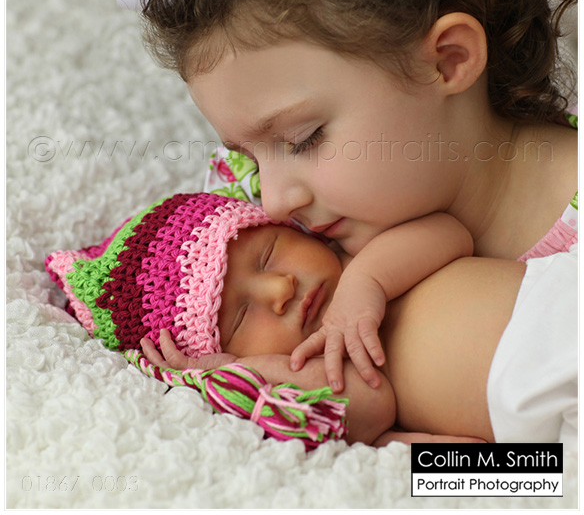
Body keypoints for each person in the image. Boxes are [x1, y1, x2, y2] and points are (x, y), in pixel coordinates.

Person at [116, 0, 578, 393]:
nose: (275, 201)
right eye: (251, 157)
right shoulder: (294, 250)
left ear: (448, 61)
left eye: (304, 138)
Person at [45, 192, 577, 448]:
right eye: (240, 318)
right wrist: (245, 374)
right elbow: (371, 409)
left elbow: (451, 233)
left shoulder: (362, 258)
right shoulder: (315, 372)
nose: (279, 290)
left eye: (269, 254)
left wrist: (368, 284)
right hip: (548, 424)